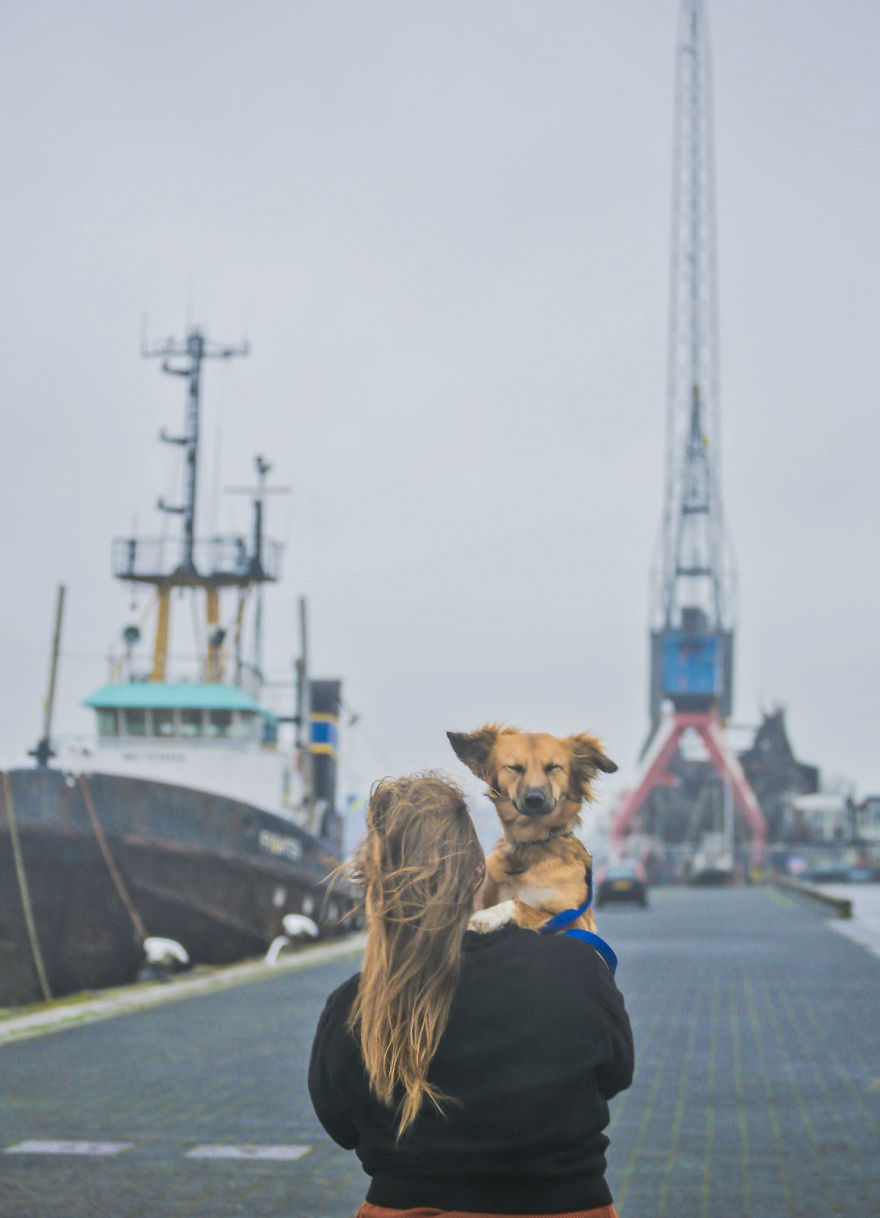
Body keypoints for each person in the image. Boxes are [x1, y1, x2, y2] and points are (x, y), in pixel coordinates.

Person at [308, 772, 634, 1218]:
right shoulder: (578, 971)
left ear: (375, 884)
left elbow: (342, 1124)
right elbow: (616, 1073)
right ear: (478, 872)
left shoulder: (354, 1007)